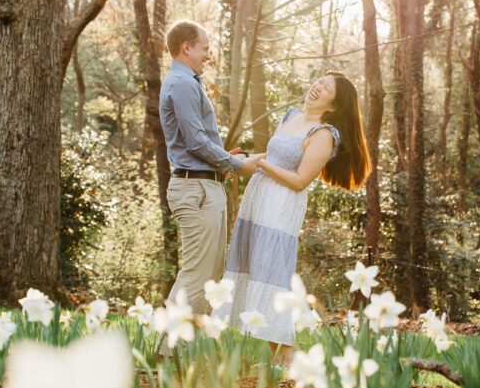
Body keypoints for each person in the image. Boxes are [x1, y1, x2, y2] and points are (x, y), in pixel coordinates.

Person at [214, 71, 371, 363]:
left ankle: (288, 358)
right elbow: (273, 156)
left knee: (271, 273)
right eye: (319, 82)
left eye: (325, 89)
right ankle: (277, 360)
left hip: (281, 206)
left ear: (334, 106)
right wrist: (242, 162)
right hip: (258, 200)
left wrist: (260, 164)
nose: (317, 88)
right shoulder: (291, 116)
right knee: (254, 267)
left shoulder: (324, 135)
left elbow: (300, 180)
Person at [159, 20, 264, 319]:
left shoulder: (189, 82)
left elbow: (199, 142)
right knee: (197, 274)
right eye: (205, 48)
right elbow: (195, 142)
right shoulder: (180, 84)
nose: (209, 55)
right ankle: (170, 353)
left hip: (205, 184)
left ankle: (187, 351)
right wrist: (237, 164)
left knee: (209, 275)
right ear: (186, 47)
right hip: (196, 189)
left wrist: (226, 160)